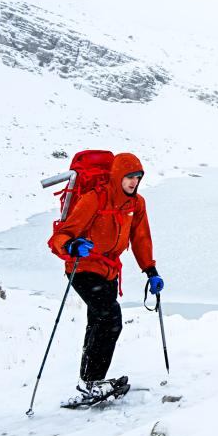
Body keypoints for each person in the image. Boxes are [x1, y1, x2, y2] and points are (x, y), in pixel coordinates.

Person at [49, 152, 163, 407]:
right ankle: (91, 381)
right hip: (82, 267)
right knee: (110, 317)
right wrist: (72, 245)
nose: (134, 182)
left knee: (98, 321)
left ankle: (88, 381)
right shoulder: (94, 198)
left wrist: (150, 271)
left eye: (138, 177)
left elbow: (141, 239)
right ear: (116, 176)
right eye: (129, 177)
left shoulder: (136, 204)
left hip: (109, 271)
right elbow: (61, 235)